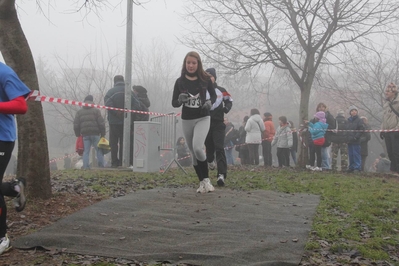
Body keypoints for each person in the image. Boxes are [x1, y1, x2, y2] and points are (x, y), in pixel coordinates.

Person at [171, 51, 217, 193]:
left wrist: (210, 102)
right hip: (187, 119)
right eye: (188, 63)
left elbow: (214, 95)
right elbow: (174, 103)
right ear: (185, 64)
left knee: (198, 148)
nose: (191, 65)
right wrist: (180, 100)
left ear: (198, 64)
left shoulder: (205, 79)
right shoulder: (180, 82)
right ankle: (202, 182)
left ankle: (207, 180)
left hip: (203, 117)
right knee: (193, 153)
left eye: (194, 63)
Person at [0, 62, 30, 255]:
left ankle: (2, 238)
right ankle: (14, 188)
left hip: (1, 138)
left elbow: (21, 105)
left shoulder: (4, 72)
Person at [204, 67, 233, 186]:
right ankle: (210, 160)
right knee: (209, 148)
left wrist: (226, 108)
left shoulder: (221, 90)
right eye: (207, 76)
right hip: (205, 122)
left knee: (219, 147)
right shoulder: (202, 91)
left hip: (218, 123)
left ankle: (221, 174)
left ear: (215, 78)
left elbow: (229, 100)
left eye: (211, 76)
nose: (209, 78)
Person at [104, 75, 140, 168]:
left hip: (114, 122)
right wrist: (128, 114)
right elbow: (137, 105)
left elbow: (108, 104)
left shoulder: (110, 92)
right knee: (125, 142)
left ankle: (114, 162)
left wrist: (116, 113)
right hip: (127, 122)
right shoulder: (130, 92)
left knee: (114, 142)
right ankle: (123, 162)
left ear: (114, 81)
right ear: (123, 81)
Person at [73, 95, 106, 169]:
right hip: (95, 134)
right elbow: (101, 123)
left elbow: (76, 124)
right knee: (99, 150)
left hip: (85, 134)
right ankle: (101, 166)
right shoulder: (96, 111)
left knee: (86, 152)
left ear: (84, 101)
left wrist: (78, 134)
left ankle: (86, 167)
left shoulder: (79, 112)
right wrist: (103, 134)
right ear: (92, 101)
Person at [130, 85, 151, 166]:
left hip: (137, 127)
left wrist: (133, 127)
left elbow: (137, 115)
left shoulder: (138, 102)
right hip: (142, 127)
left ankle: (132, 162)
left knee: (134, 146)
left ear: (137, 92)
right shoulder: (145, 102)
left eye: (134, 90)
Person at [381, 82, 399, 175]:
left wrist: (397, 128)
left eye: (388, 91)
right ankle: (393, 169)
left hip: (396, 131)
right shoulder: (386, 104)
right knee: (390, 151)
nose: (386, 93)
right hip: (387, 131)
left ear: (394, 93)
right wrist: (382, 129)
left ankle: (397, 169)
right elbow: (384, 118)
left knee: (396, 151)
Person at [315, 103, 336, 170]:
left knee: (324, 151)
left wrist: (324, 126)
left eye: (323, 107)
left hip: (326, 136)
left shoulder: (329, 116)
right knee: (320, 152)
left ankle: (326, 166)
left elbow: (333, 126)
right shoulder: (316, 117)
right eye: (320, 107)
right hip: (318, 136)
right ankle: (321, 165)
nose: (321, 108)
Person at [346, 105, 365, 173]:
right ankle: (351, 167)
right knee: (350, 154)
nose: (354, 112)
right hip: (349, 141)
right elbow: (346, 130)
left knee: (356, 154)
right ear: (350, 112)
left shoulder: (359, 120)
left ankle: (357, 167)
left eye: (355, 110)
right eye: (352, 111)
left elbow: (361, 130)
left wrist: (356, 137)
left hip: (356, 140)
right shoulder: (348, 120)